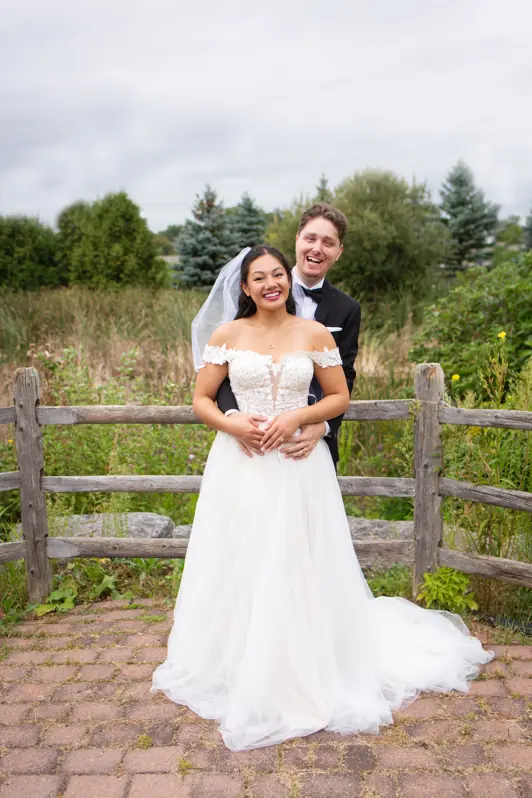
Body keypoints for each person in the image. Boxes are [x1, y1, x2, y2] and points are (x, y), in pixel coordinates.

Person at [151, 245, 493, 752]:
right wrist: (231, 422)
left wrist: (298, 417)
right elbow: (202, 399)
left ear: (286, 280)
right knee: (242, 556)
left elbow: (338, 397)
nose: (271, 283)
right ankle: (239, 658)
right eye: (258, 277)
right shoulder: (227, 336)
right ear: (244, 288)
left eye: (276, 275)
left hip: (297, 465)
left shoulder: (312, 334)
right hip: (240, 465)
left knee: (298, 558)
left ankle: (304, 660)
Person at [216, 203, 361, 466]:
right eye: (310, 238)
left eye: (328, 242)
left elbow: (345, 377)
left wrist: (323, 426)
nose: (317, 248)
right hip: (251, 439)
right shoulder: (262, 290)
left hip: (308, 443)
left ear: (338, 252)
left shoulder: (347, 309)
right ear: (297, 240)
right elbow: (226, 365)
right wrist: (233, 416)